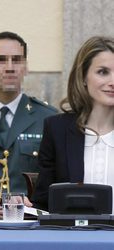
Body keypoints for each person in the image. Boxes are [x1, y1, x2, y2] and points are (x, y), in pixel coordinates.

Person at [0, 31, 57, 219]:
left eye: (17, 60)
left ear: (26, 67)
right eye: (1, 59)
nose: (10, 67)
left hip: (28, 224)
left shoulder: (48, 119)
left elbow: (54, 180)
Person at [32, 36, 114, 212]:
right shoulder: (57, 130)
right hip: (73, 237)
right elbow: (43, 203)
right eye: (103, 72)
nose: (112, 81)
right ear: (83, 76)